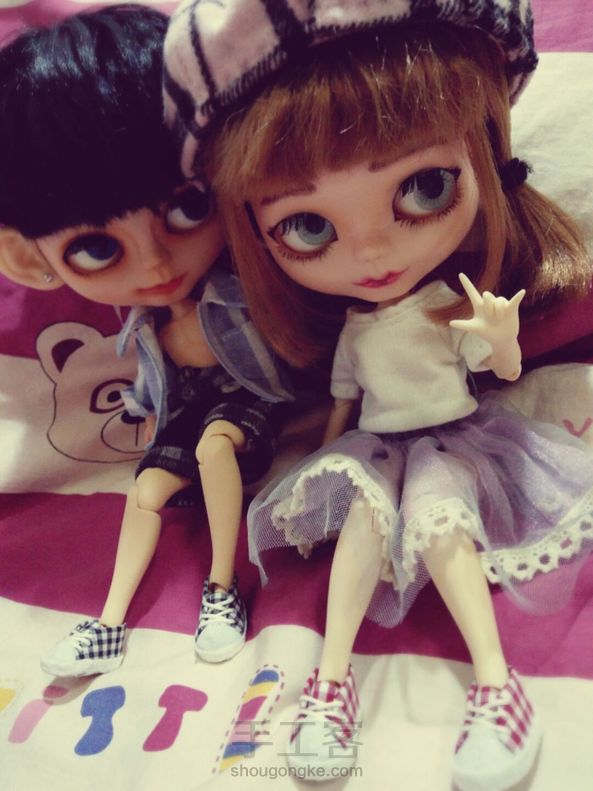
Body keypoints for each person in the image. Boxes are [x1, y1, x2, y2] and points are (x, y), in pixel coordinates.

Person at [163, 2, 593, 789]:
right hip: (374, 443)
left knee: (439, 520)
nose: (370, 252)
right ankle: (329, 682)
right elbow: (341, 403)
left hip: (456, 437)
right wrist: (324, 463)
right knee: (361, 528)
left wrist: (499, 335)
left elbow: (499, 371)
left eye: (424, 187)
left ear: (486, 159)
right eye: (306, 226)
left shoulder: (444, 305)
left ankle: (495, 683)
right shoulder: (356, 331)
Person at [0, 4, 294, 676]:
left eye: (189, 207)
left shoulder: (243, 286)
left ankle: (221, 588)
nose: (157, 263)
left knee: (216, 449)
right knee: (147, 490)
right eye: (98, 248)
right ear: (25, 259)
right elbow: (152, 376)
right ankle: (108, 623)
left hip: (247, 401)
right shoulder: (141, 320)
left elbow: (295, 342)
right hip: (186, 409)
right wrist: (139, 403)